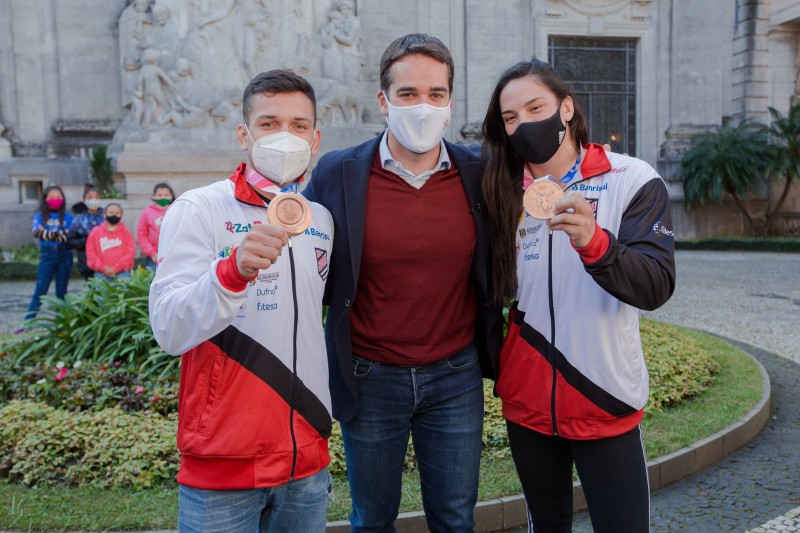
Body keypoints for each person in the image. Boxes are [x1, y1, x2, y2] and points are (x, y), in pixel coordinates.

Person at [303, 33, 503, 533]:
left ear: (451, 102)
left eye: (436, 94)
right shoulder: (337, 171)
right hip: (370, 376)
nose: (423, 106)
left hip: (455, 375)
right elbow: (306, 260)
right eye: (409, 94)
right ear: (384, 101)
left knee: (455, 519)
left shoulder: (478, 173)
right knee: (372, 518)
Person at [480, 58, 676, 532]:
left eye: (535, 107)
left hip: (603, 396)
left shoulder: (632, 179)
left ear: (565, 108)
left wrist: (594, 241)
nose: (523, 124)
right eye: (510, 118)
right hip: (527, 402)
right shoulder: (498, 191)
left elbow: (655, 284)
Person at [149, 69, 334, 532]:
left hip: (306, 461)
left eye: (298, 125)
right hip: (224, 465)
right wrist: (232, 272)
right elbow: (169, 328)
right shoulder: (199, 209)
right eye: (269, 123)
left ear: (315, 140)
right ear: (243, 134)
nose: (284, 137)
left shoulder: (322, 220)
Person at [24, 185, 74, 321]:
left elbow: (69, 236)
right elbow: (37, 232)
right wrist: (60, 234)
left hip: (65, 255)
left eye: (58, 196)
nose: (55, 199)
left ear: (63, 199)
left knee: (61, 291)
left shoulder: (69, 217)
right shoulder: (39, 216)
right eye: (52, 197)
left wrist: (47, 233)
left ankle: (63, 324)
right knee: (40, 291)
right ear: (45, 199)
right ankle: (27, 324)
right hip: (47, 256)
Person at [86, 203, 135, 281]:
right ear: (104, 214)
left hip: (122, 273)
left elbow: (130, 253)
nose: (114, 215)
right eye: (111, 213)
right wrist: (103, 268)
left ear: (121, 215)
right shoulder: (95, 232)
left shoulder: (126, 233)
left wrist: (116, 268)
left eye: (117, 213)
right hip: (101, 273)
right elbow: (91, 253)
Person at [67, 186, 105, 280]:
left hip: (106, 260)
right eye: (90, 198)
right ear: (84, 201)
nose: (94, 200)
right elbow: (70, 240)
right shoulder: (79, 219)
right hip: (86, 260)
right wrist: (87, 241)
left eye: (96, 197)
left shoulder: (106, 215)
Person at [137, 182, 174, 270]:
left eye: (166, 194)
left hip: (172, 255)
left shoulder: (175, 209)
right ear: (153, 196)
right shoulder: (146, 212)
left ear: (171, 196)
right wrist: (152, 253)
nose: (163, 197)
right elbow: (142, 235)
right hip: (153, 257)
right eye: (159, 195)